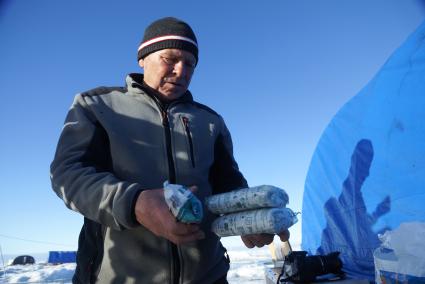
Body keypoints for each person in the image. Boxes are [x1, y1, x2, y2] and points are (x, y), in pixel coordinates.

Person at [50, 17, 289, 284]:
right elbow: (67, 174)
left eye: (190, 64)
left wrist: (250, 221)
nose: (181, 70)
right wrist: (135, 203)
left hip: (207, 276)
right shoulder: (97, 105)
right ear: (143, 57)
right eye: (170, 58)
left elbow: (228, 183)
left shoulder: (210, 121)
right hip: (119, 276)